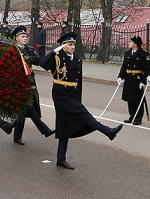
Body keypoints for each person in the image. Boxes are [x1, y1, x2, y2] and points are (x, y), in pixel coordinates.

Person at [40, 32, 124, 170]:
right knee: (85, 115)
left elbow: (78, 82)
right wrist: (55, 50)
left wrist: (78, 99)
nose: (73, 47)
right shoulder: (57, 57)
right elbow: (42, 64)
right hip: (60, 93)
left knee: (64, 125)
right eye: (70, 45)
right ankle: (107, 131)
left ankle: (60, 158)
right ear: (63, 46)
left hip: (72, 94)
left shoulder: (78, 59)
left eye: (74, 45)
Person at [11, 26, 55, 145]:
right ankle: (44, 129)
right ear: (16, 38)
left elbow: (38, 60)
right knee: (28, 107)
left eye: (26, 36)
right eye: (22, 36)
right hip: (18, 81)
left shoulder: (29, 49)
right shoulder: (12, 49)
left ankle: (15, 133)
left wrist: (27, 58)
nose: (25, 38)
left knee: (24, 109)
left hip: (29, 80)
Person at [117, 36, 149, 125]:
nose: (129, 43)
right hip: (129, 77)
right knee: (129, 98)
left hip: (137, 79)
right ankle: (132, 115)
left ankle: (138, 118)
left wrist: (144, 80)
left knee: (138, 99)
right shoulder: (127, 53)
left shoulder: (143, 54)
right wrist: (120, 77)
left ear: (135, 44)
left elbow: (146, 68)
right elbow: (124, 66)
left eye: (131, 42)